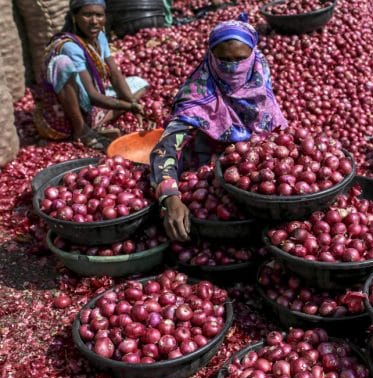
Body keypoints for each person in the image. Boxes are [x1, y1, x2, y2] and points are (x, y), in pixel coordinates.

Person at [150, 17, 288, 242]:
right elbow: (165, 149)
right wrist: (170, 197)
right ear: (211, 57)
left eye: (240, 59)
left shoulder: (259, 83)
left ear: (252, 56)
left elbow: (276, 140)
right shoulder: (197, 93)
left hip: (255, 183)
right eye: (224, 60)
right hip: (205, 185)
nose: (232, 68)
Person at [33, 0, 148, 149]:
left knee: (140, 84)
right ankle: (81, 129)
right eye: (87, 15)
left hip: (90, 99)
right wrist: (128, 106)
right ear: (74, 17)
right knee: (62, 63)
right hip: (64, 115)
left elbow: (114, 73)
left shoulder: (100, 36)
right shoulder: (70, 46)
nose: (94, 21)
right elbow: (92, 95)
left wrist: (133, 103)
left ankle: (96, 121)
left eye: (99, 15)